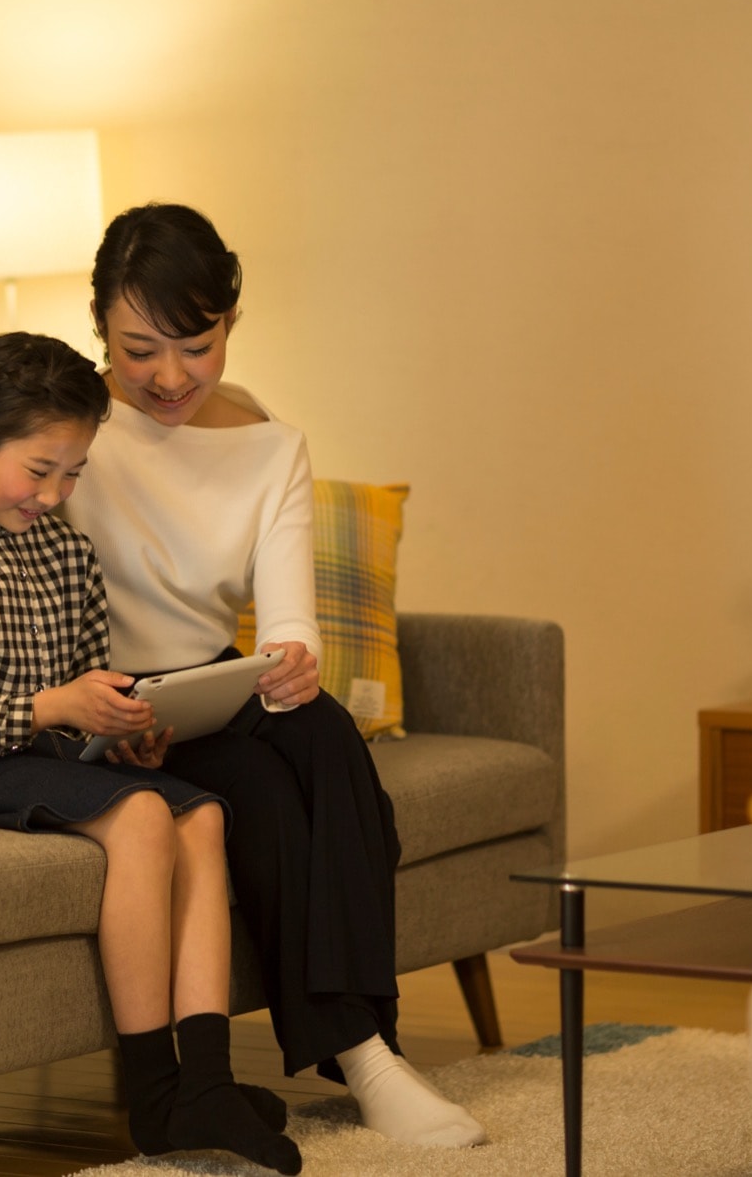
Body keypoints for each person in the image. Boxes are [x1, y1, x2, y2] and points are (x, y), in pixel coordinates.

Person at [61, 204, 488, 1149]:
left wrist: (292, 662)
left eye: (197, 345)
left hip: (214, 682)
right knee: (262, 789)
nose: (170, 376)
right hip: (109, 698)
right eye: (139, 350)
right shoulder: (70, 429)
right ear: (98, 326)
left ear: (231, 323)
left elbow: (289, 615)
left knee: (324, 730)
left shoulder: (270, 444)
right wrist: (96, 711)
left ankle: (371, 1053)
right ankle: (369, 1057)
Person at [0, 332, 301, 1174]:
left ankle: (207, 1082)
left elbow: (83, 686)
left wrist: (121, 730)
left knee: (201, 815)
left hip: (25, 758)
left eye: (73, 473)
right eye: (38, 470)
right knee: (143, 816)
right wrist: (55, 707)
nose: (53, 494)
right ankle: (154, 1092)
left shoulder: (64, 551)